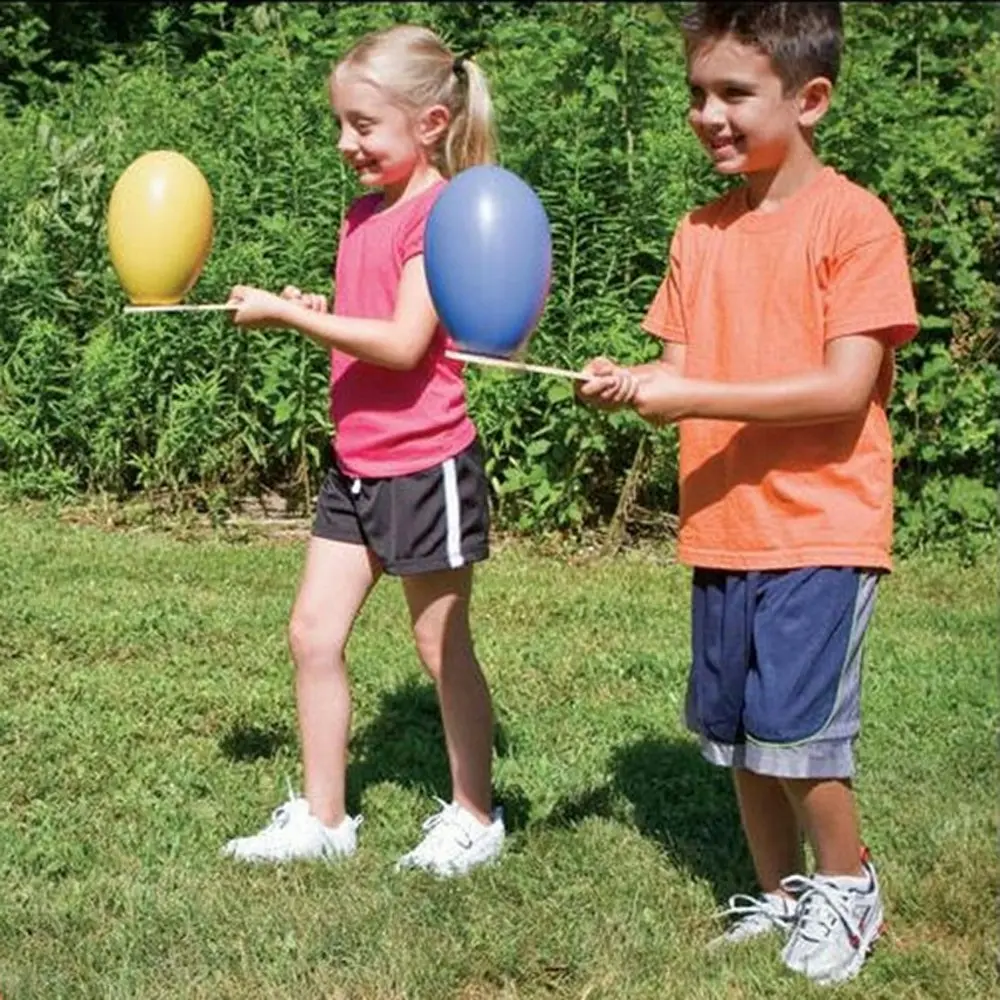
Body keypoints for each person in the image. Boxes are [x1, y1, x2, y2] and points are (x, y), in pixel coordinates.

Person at [577, 1, 918, 985]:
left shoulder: (853, 224)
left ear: (809, 99)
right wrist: (633, 386)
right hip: (722, 526)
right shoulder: (699, 230)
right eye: (696, 93)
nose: (707, 114)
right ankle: (776, 898)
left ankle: (847, 892)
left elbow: (841, 386)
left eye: (733, 93)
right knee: (734, 735)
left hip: (821, 525)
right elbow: (676, 374)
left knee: (798, 735)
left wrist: (686, 391)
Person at [220, 24, 504, 878]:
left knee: (439, 648)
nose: (347, 143)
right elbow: (368, 318)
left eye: (363, 126)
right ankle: (325, 815)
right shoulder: (365, 213)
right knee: (312, 632)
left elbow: (406, 342)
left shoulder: (440, 213)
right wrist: (317, 305)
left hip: (425, 464)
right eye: (341, 124)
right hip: (357, 462)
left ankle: (475, 816)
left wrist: (292, 315)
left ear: (428, 123)